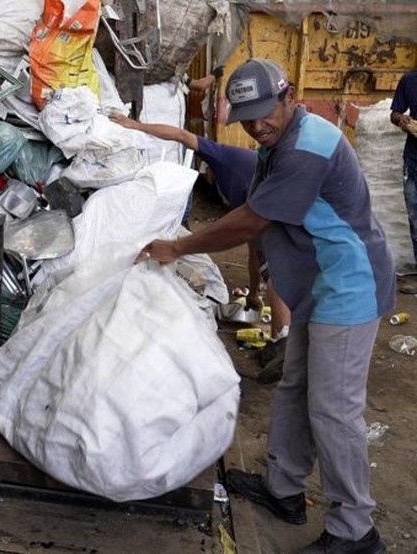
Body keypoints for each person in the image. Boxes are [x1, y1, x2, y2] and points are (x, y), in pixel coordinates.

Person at [137, 59, 394, 553]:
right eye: (248, 118)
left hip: (350, 284)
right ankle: (285, 491)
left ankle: (356, 530)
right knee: (297, 387)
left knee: (334, 411)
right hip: (320, 283)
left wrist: (177, 247)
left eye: (265, 113)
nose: (257, 126)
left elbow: (250, 222)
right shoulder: (280, 142)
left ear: (290, 96)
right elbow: (260, 218)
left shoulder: (305, 148)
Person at [109, 113, 293, 383]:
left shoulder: (237, 165)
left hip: (278, 212)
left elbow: (183, 135)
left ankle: (283, 341)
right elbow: (254, 250)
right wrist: (254, 294)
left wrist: (138, 125)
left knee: (276, 267)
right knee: (269, 263)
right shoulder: (228, 160)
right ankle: (282, 340)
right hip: (264, 215)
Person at [390, 68, 417, 293]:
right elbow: (394, 114)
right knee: (415, 219)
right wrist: (403, 120)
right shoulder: (410, 80)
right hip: (413, 161)